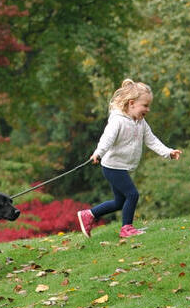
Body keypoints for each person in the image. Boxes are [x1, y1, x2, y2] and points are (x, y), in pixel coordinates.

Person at [77, 78, 181, 239]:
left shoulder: (141, 123)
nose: (148, 109)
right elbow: (107, 139)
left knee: (119, 202)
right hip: (112, 166)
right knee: (132, 194)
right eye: (145, 105)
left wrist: (168, 152)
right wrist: (98, 153)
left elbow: (152, 140)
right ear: (131, 103)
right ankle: (126, 228)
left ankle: (89, 214)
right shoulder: (118, 120)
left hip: (121, 167)